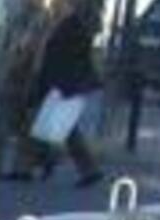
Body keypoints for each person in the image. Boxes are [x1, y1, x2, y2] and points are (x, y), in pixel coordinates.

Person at [29, 0, 106, 186]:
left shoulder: (73, 25)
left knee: (65, 128)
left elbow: (66, 56)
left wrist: (58, 83)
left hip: (65, 84)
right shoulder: (69, 24)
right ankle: (49, 161)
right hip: (63, 82)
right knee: (52, 124)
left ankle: (88, 169)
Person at [0, 0, 56, 179]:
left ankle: (9, 165)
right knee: (15, 121)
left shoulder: (38, 17)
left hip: (21, 73)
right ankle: (17, 165)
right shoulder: (20, 15)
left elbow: (29, 48)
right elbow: (6, 46)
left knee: (11, 121)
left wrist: (14, 69)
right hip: (14, 72)